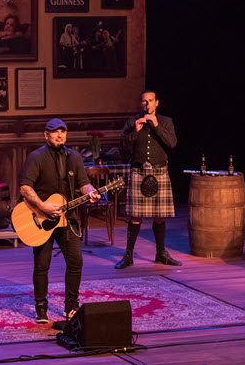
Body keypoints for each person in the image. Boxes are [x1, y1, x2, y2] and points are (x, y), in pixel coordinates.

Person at [18, 118, 99, 323]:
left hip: (68, 218)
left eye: (63, 131)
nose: (60, 135)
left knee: (75, 262)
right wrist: (42, 206)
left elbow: (83, 184)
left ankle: (71, 306)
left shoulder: (75, 157)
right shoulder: (36, 157)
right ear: (46, 135)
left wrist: (91, 192)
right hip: (42, 218)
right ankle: (41, 308)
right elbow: (25, 188)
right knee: (42, 265)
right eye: (55, 132)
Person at [115, 90, 181, 269]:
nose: (147, 104)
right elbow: (123, 146)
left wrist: (157, 125)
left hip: (160, 172)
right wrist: (135, 131)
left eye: (150, 101)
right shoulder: (132, 122)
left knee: (159, 216)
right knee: (135, 216)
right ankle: (128, 255)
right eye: (144, 102)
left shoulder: (166, 122)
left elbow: (172, 144)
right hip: (139, 172)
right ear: (141, 104)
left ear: (157, 103)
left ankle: (161, 254)